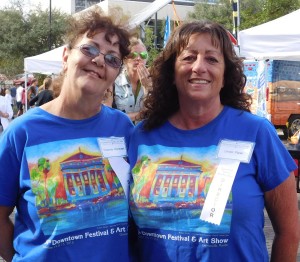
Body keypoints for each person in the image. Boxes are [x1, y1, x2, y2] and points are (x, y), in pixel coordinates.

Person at [128, 20, 300, 261]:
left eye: (212, 59)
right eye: (188, 58)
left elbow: (289, 233)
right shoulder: (142, 135)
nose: (199, 67)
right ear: (172, 72)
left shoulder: (257, 133)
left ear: (225, 74)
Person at [0, 6, 134, 261]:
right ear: (65, 56)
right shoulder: (22, 132)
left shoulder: (123, 128)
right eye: (90, 49)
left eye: (112, 58)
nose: (98, 60)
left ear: (115, 73)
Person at [114, 37, 152, 123]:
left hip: (142, 132)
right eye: (133, 55)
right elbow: (110, 114)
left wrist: (148, 89)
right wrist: (140, 115)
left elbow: (153, 112)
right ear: (125, 59)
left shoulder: (152, 82)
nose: (138, 58)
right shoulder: (115, 81)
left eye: (143, 55)